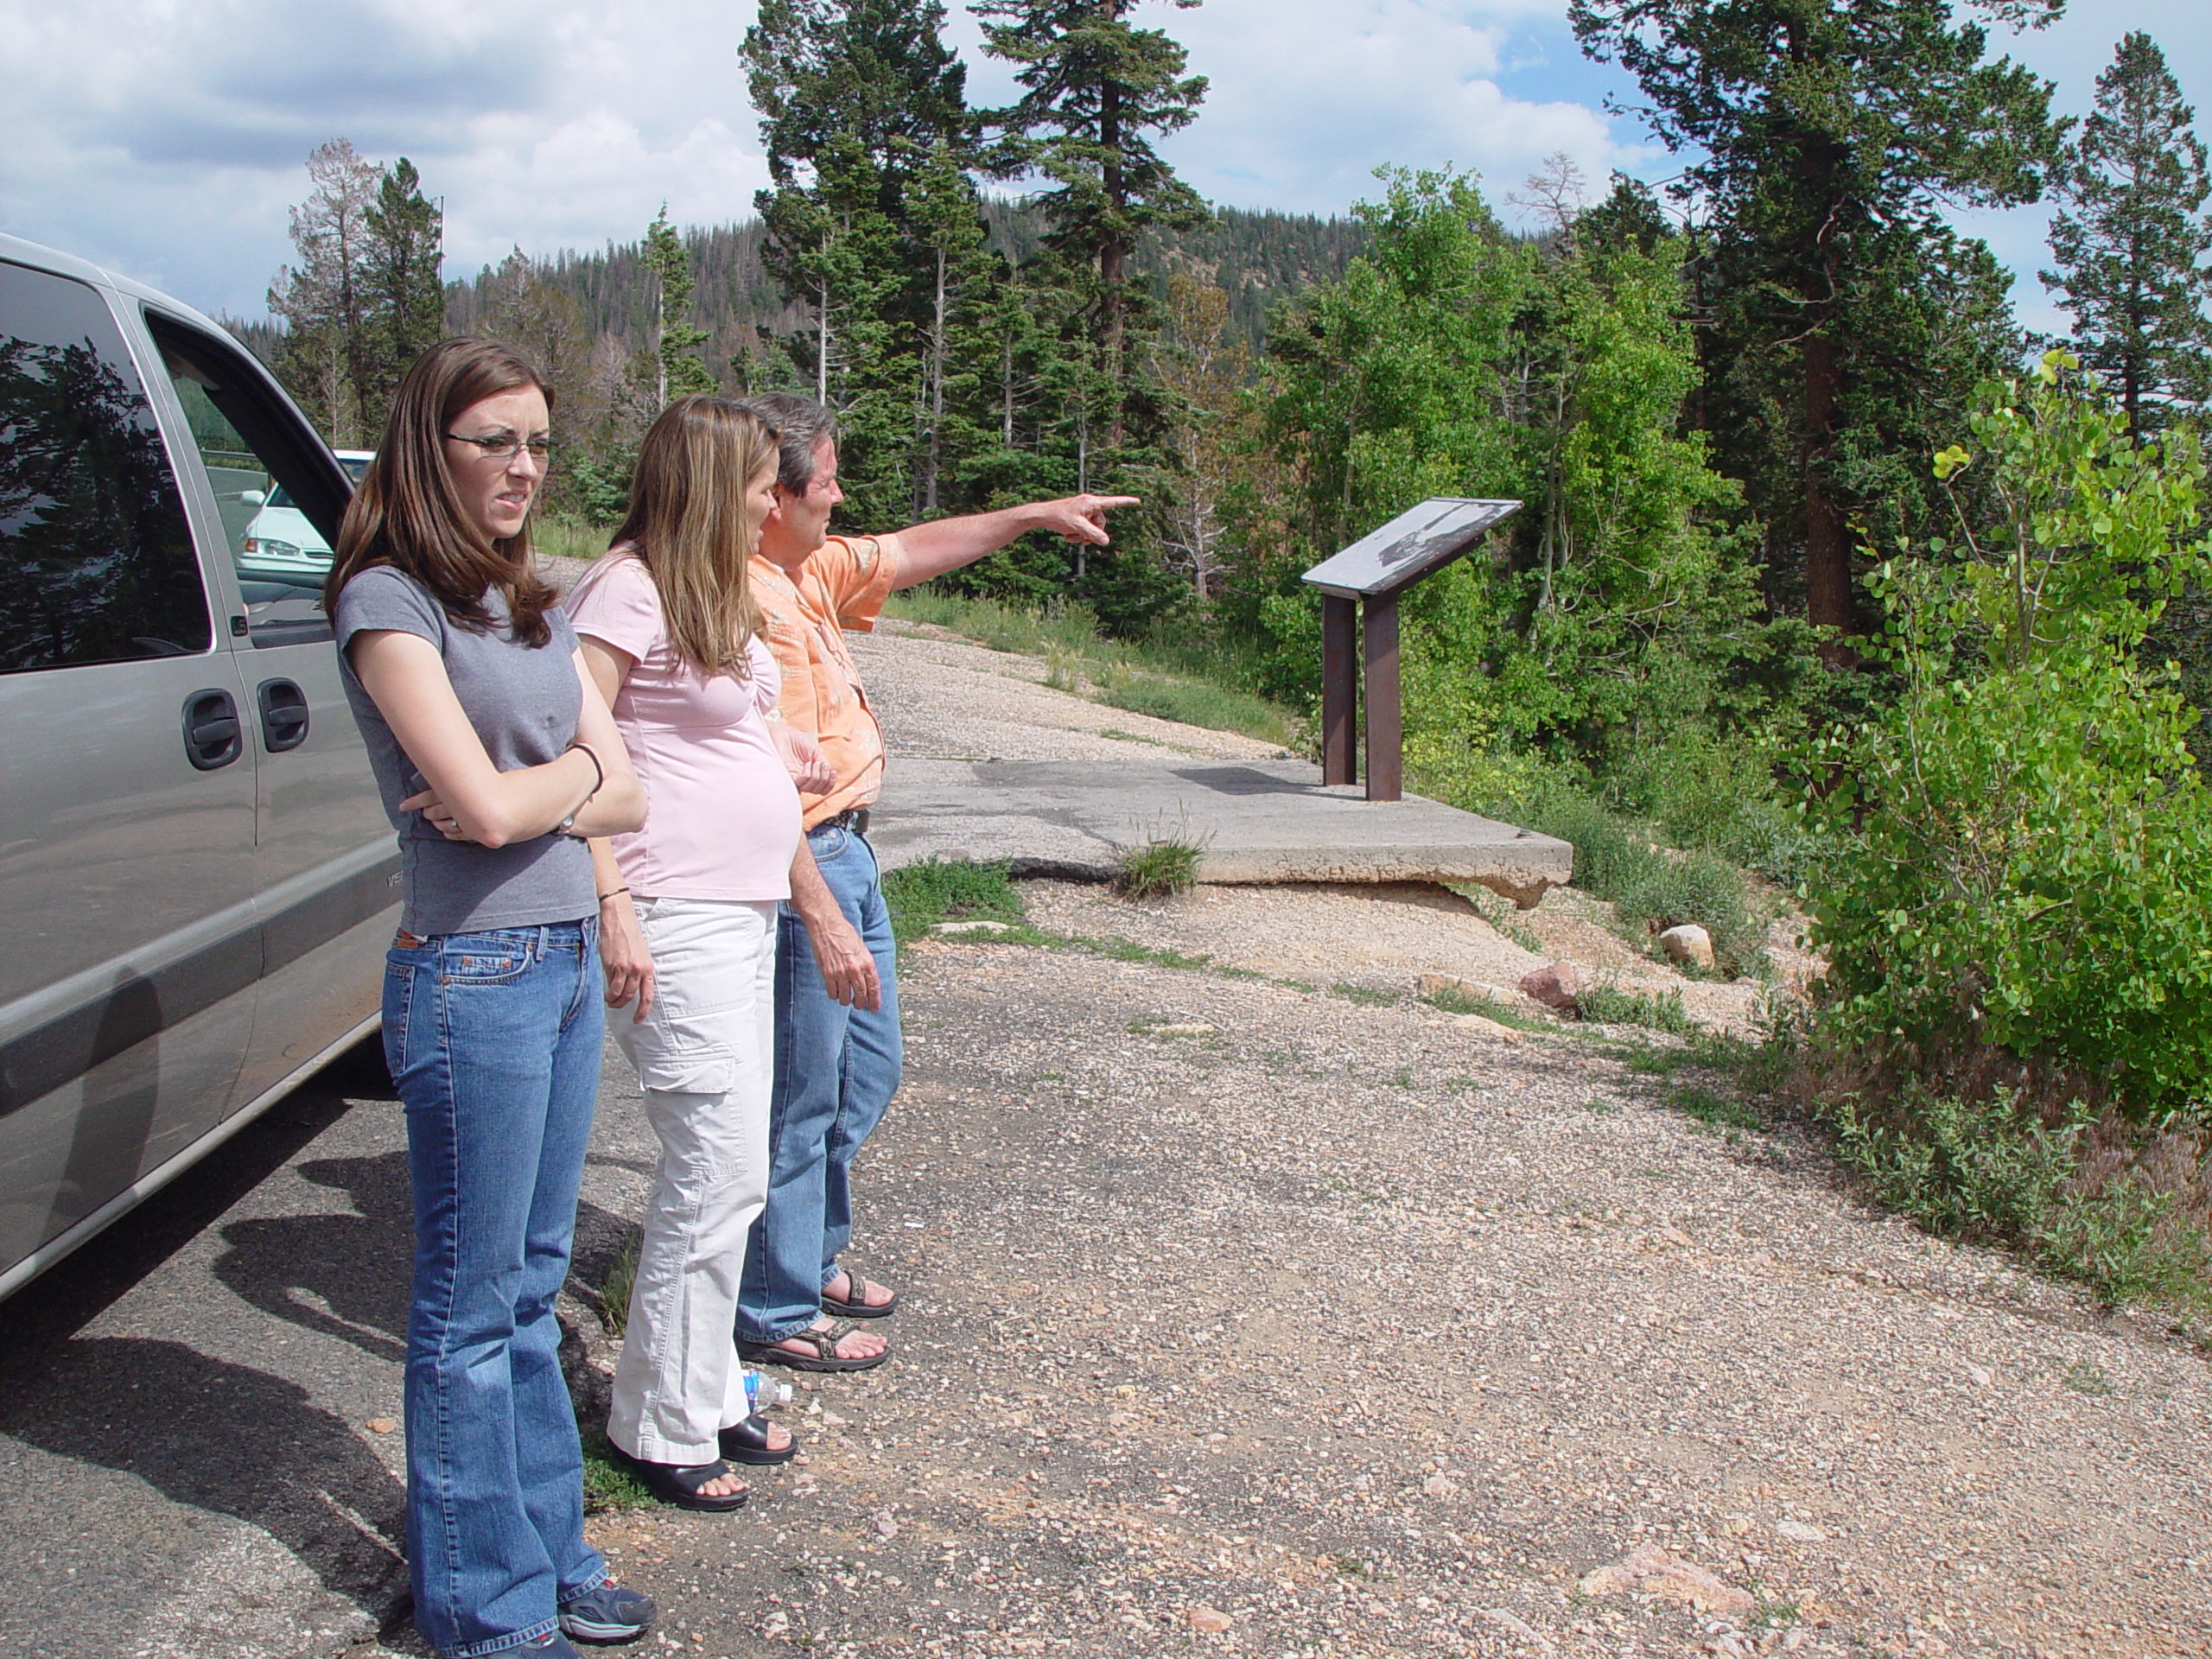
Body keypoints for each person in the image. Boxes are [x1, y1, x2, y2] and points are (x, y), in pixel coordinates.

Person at [327, 339, 652, 1659]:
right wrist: (555, 790)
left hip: (565, 956)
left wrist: (545, 797)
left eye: (538, 444)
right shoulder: (385, 602)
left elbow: (621, 786)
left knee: (529, 1287)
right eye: (495, 443)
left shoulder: (533, 599)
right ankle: (485, 1612)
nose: (523, 468)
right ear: (430, 447)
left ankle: (548, 1553)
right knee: (469, 1309)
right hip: (472, 976)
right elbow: (473, 804)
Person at [733, 391, 1137, 1372]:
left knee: (862, 1073)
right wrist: (813, 905)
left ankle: (809, 1253)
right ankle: (774, 1306)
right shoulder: (737, 597)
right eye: (824, 482)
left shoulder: (806, 571)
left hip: (853, 854)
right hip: (805, 868)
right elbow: (749, 777)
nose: (840, 498)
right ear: (774, 498)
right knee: (799, 1093)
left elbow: (911, 549)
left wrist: (1034, 516)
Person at [561, 396, 820, 1510]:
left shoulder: (706, 590)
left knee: (736, 1171)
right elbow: (572, 737)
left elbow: (711, 724)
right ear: (714, 482)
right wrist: (609, 898)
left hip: (738, 911)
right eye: (763, 479)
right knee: (711, 1169)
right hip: (670, 913)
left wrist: (780, 754)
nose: (776, 496)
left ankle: (706, 1388)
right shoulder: (623, 588)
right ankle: (656, 1427)